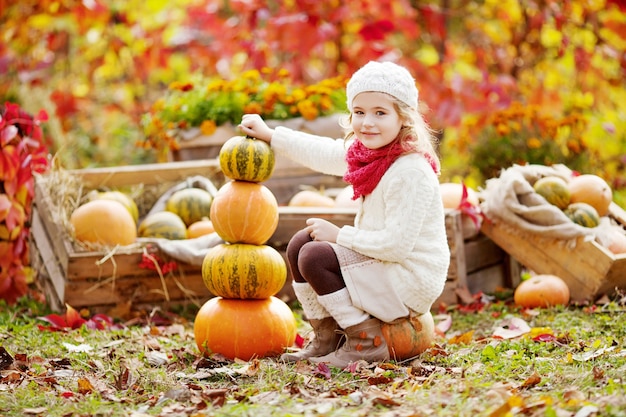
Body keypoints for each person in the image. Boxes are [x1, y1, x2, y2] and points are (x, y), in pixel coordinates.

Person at [238, 61, 450, 368]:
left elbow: (396, 246)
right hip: (384, 265)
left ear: (403, 118)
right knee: (301, 243)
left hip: (408, 277)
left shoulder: (410, 171)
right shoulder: (370, 156)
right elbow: (324, 151)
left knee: (315, 256)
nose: (367, 122)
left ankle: (367, 342)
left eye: (380, 112)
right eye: (359, 112)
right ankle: (329, 337)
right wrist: (271, 135)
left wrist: (340, 236)